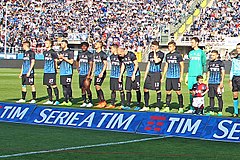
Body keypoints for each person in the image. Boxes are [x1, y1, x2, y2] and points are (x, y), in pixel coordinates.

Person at [140, 41, 164, 112]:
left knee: (157, 90)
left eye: (153, 46)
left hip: (156, 74)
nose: (151, 48)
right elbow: (149, 64)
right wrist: (145, 74)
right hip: (150, 73)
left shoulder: (161, 54)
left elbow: (156, 61)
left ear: (157, 46)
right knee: (145, 89)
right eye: (151, 46)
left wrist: (154, 52)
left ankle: (158, 106)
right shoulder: (150, 54)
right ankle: (146, 105)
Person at [161, 41, 184, 113]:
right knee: (168, 92)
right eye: (168, 46)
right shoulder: (167, 55)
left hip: (176, 76)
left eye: (170, 46)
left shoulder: (178, 55)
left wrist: (181, 76)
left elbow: (182, 66)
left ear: (174, 47)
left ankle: (180, 107)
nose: (169, 48)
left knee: (178, 91)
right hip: (169, 76)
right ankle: (167, 106)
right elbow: (166, 65)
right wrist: (163, 76)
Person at [185, 37, 207, 113]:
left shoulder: (201, 52)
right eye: (191, 42)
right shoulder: (190, 53)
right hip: (191, 74)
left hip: (198, 75)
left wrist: (204, 73)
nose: (191, 44)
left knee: (200, 92)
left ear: (197, 43)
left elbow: (204, 63)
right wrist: (187, 75)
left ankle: (201, 108)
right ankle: (192, 108)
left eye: (193, 42)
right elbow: (190, 65)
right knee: (191, 91)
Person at [119, 46, 141, 110]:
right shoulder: (122, 57)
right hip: (128, 75)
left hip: (136, 75)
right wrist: (121, 75)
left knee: (137, 89)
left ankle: (138, 104)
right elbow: (123, 65)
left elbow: (136, 64)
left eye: (120, 54)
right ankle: (128, 105)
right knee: (128, 90)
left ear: (123, 51)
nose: (120, 56)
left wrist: (134, 74)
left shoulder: (131, 55)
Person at [106, 44, 125, 109]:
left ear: (115, 48)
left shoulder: (120, 56)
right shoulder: (111, 56)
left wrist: (121, 75)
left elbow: (123, 65)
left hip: (118, 76)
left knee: (121, 90)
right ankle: (112, 104)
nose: (110, 50)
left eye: (111, 48)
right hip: (112, 75)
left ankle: (122, 104)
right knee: (113, 90)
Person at [206, 50, 225, 116]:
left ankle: (220, 111)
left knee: (219, 97)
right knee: (211, 97)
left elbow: (223, 72)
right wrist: (207, 82)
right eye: (211, 55)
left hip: (217, 83)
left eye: (213, 55)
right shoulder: (210, 63)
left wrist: (222, 82)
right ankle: (211, 110)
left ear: (217, 55)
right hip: (211, 82)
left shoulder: (220, 63)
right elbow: (208, 72)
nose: (212, 56)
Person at [76, 42, 93, 108]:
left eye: (85, 46)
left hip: (87, 74)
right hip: (81, 74)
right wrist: (77, 68)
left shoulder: (89, 54)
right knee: (82, 88)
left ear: (87, 47)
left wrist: (89, 74)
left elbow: (91, 64)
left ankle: (90, 101)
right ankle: (84, 101)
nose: (83, 47)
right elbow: (77, 61)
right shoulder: (79, 53)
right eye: (82, 46)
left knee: (87, 87)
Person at [42, 39, 60, 105]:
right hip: (46, 71)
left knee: (53, 85)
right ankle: (50, 100)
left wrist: (56, 69)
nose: (45, 44)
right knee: (47, 85)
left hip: (52, 71)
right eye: (45, 43)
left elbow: (56, 61)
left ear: (50, 44)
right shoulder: (44, 52)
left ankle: (57, 100)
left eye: (47, 43)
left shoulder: (53, 52)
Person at [92, 41, 108, 108]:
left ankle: (103, 101)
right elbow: (94, 64)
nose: (95, 45)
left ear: (100, 45)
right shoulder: (95, 54)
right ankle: (100, 102)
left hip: (101, 73)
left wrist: (102, 72)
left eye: (97, 44)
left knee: (98, 86)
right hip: (96, 72)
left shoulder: (103, 54)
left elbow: (105, 64)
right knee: (96, 86)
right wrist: (92, 72)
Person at [58, 40, 74, 106]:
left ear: (66, 44)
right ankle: (65, 100)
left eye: (62, 43)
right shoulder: (60, 52)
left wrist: (63, 58)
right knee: (63, 86)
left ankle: (70, 99)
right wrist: (59, 60)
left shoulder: (70, 52)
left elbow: (71, 62)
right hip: (62, 72)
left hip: (68, 71)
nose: (61, 45)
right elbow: (58, 62)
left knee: (68, 86)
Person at [229, 43, 240, 117]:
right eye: (237, 48)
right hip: (235, 78)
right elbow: (232, 69)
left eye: (239, 48)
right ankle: (236, 112)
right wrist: (230, 79)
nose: (237, 50)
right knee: (235, 94)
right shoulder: (234, 59)